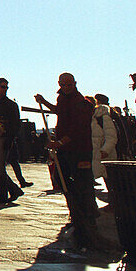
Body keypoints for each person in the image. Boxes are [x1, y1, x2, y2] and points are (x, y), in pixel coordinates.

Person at [35, 72, 99, 252]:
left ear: (75, 83)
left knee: (82, 184)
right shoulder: (62, 99)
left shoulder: (82, 103)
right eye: (64, 83)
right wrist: (44, 102)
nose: (67, 86)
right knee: (62, 180)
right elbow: (58, 111)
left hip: (79, 150)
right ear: (60, 84)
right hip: (65, 150)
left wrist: (60, 142)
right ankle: (76, 212)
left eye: (70, 83)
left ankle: (87, 215)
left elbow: (78, 128)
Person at [90, 93, 117, 185]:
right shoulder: (86, 119)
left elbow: (111, 136)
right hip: (95, 157)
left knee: (111, 182)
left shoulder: (103, 117)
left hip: (106, 156)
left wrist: (105, 150)